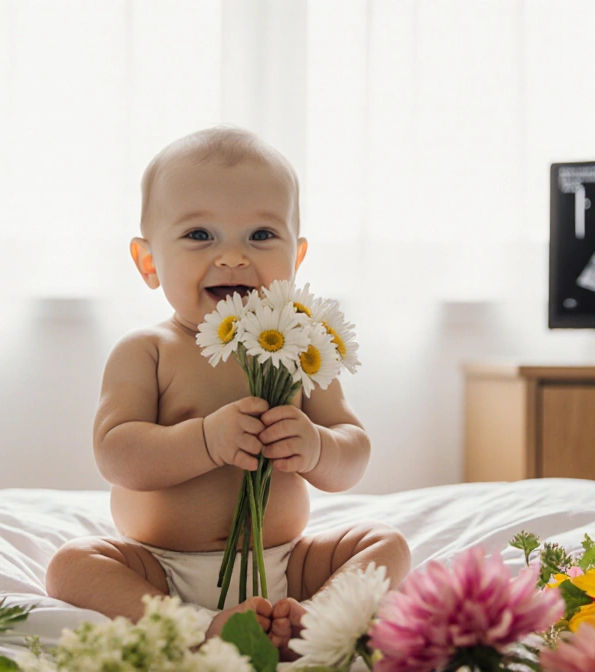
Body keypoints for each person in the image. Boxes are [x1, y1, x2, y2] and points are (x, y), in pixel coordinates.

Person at [46, 126, 410, 656]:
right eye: (200, 235)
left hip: (286, 560)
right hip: (162, 567)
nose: (234, 257)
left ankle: (317, 616)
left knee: (386, 544)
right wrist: (206, 440)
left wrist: (316, 446)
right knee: (71, 566)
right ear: (149, 262)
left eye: (261, 235)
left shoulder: (302, 344)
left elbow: (352, 451)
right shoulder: (148, 350)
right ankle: (195, 627)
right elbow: (116, 454)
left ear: (297, 257)